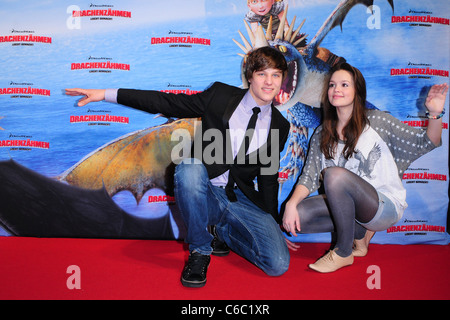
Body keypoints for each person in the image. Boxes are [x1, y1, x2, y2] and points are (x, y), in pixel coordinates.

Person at [65, 46, 291, 287]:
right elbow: (167, 101)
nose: (269, 82)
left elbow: (268, 177)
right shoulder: (220, 96)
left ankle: (221, 232)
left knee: (276, 264)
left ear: (282, 80)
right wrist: (107, 93)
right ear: (249, 76)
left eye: (275, 75)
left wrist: (274, 225)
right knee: (190, 167)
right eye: (262, 74)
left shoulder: (280, 125)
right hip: (205, 192)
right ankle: (200, 251)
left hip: (239, 198)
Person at [282, 62, 448, 273]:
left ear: (357, 91)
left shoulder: (378, 121)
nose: (337, 90)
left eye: (344, 84)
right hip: (351, 205)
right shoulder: (322, 132)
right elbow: (309, 177)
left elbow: (427, 142)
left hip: (383, 205)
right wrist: (291, 205)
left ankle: (342, 253)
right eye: (332, 85)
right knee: (300, 217)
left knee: (335, 176)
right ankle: (359, 233)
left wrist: (435, 113)